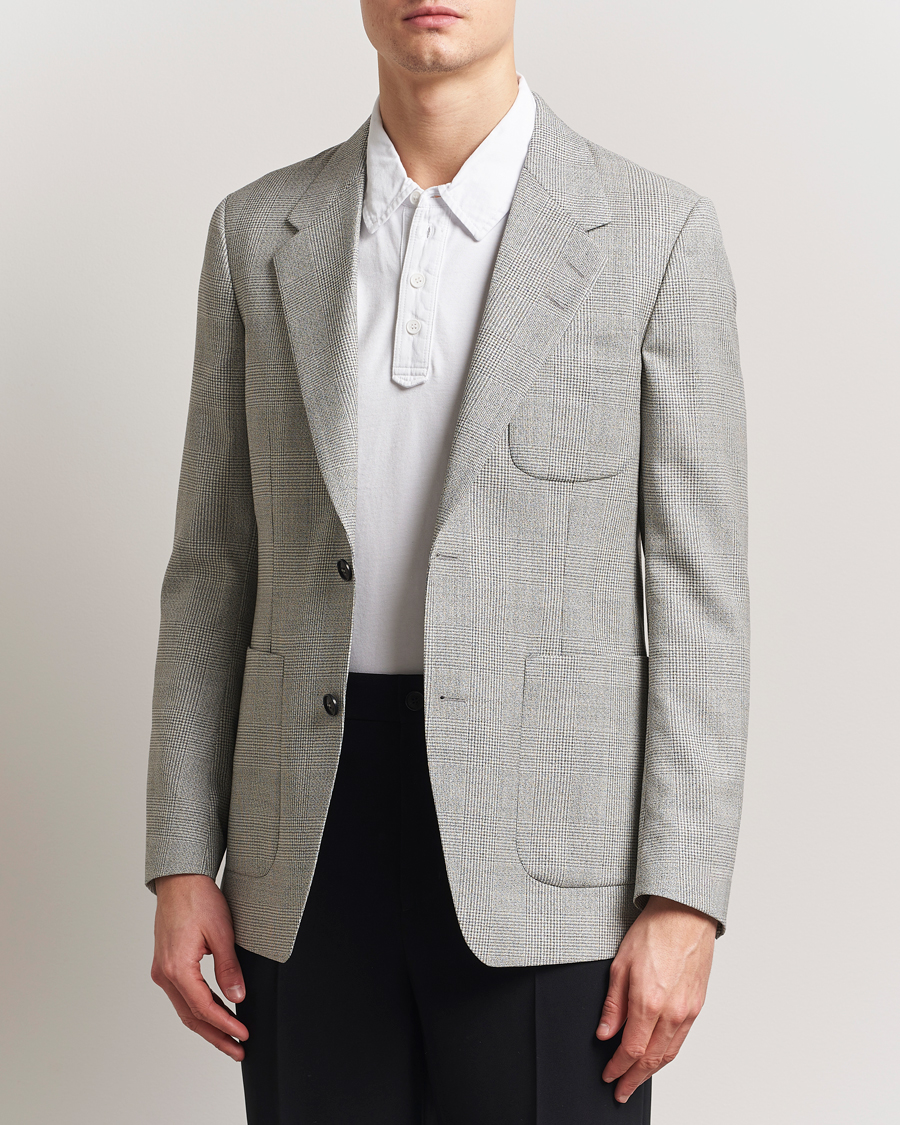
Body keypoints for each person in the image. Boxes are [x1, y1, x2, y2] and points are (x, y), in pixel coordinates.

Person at [145, 2, 750, 1122]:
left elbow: (699, 592)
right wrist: (183, 858)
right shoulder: (256, 233)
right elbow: (212, 569)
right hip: (306, 843)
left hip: (555, 858)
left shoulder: (656, 235)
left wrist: (685, 896)